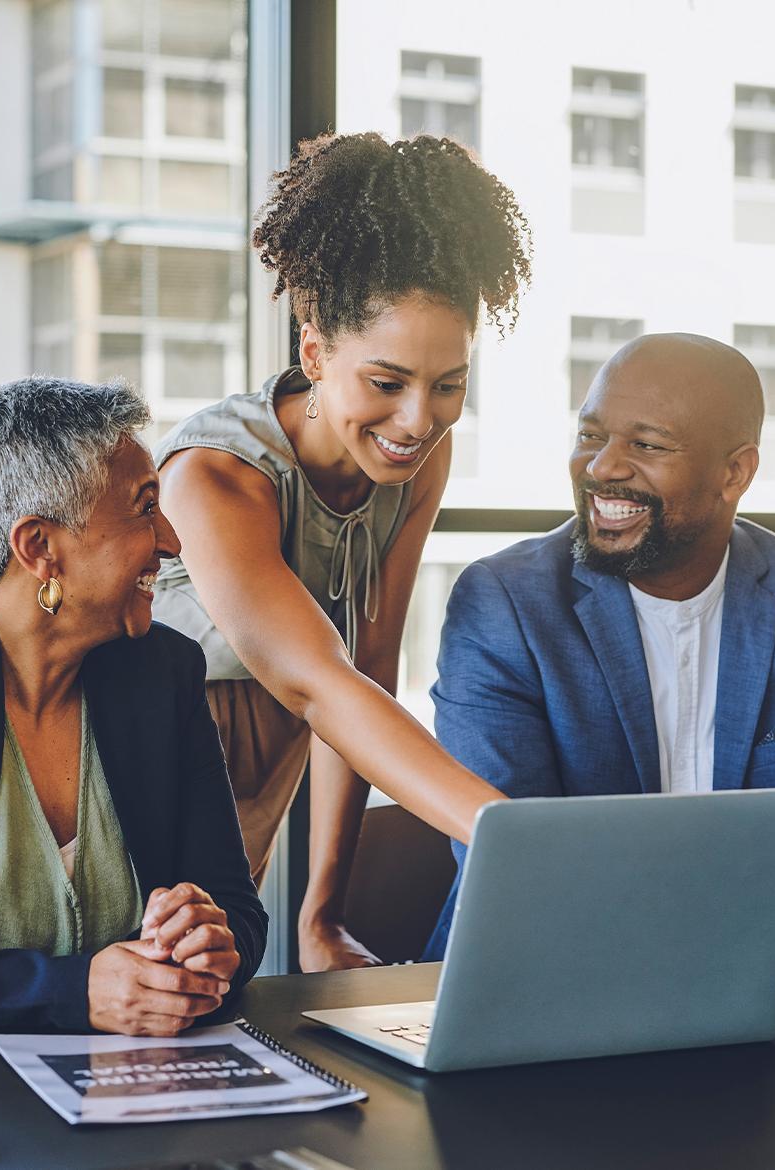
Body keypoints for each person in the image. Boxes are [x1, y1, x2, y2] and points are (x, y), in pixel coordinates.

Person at [152, 131, 532, 971]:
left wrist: (322, 912)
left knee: (210, 991)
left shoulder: (415, 459)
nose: (418, 422)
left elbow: (369, 667)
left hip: (263, 772)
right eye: (387, 383)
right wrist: (515, 838)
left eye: (449, 386)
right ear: (315, 351)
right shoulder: (219, 475)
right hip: (141, 764)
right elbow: (318, 683)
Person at [423, 332, 775, 1011]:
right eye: (591, 435)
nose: (604, 467)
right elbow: (519, 866)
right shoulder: (507, 605)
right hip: (538, 994)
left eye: (647, 445)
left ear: (734, 472)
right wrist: (746, 942)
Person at [0, 377, 267, 1033]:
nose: (172, 540)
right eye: (145, 507)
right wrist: (71, 991)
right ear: (40, 548)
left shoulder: (165, 674)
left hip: (138, 1102)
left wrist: (214, 939)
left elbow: (235, 906)